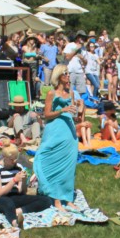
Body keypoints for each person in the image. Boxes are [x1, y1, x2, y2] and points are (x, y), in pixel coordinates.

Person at [34, 65, 82, 210]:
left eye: (68, 73)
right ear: (59, 76)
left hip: (69, 132)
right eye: (65, 73)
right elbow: (46, 115)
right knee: (52, 161)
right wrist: (62, 110)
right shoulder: (51, 94)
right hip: (55, 130)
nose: (68, 76)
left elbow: (73, 115)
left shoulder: (71, 93)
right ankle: (55, 199)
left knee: (69, 165)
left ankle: (68, 199)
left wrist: (78, 113)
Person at [0, 142, 53, 229]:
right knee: (8, 203)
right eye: (11, 159)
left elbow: (22, 191)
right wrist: (14, 180)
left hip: (15, 196)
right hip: (0, 198)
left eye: (16, 158)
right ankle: (14, 222)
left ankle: (18, 211)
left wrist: (23, 181)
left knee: (46, 200)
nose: (14, 161)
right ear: (5, 158)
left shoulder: (18, 167)